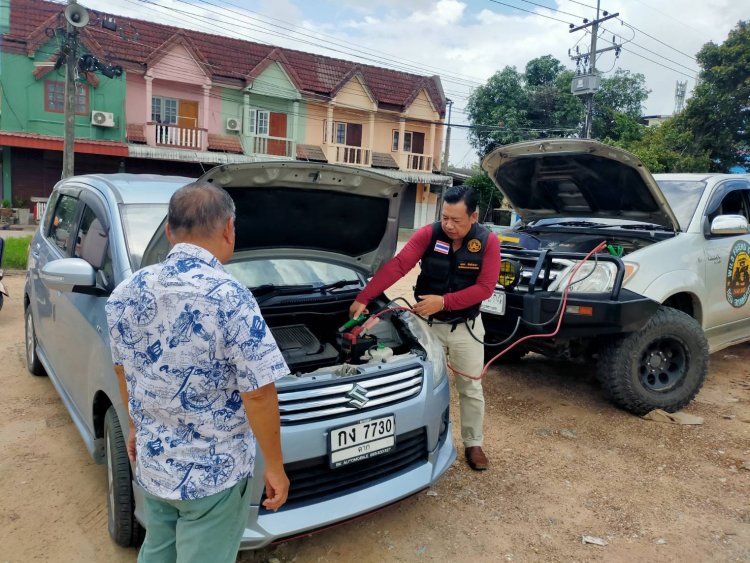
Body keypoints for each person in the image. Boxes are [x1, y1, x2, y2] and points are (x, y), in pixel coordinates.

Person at [106, 181, 290, 562]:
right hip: (214, 476)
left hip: (154, 463)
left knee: (158, 548)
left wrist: (137, 428)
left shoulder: (126, 292)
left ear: (170, 231)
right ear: (228, 229)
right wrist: (274, 466)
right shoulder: (231, 296)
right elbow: (256, 392)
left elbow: (123, 371)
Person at [350, 185, 501, 471]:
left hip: (465, 328)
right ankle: (420, 440)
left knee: (470, 387)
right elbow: (398, 266)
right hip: (426, 327)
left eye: (456, 220)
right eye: (445, 217)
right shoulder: (430, 234)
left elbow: (485, 288)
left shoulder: (488, 242)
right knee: (423, 385)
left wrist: (444, 302)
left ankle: (473, 443)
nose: (449, 225)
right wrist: (364, 296)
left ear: (474, 216)